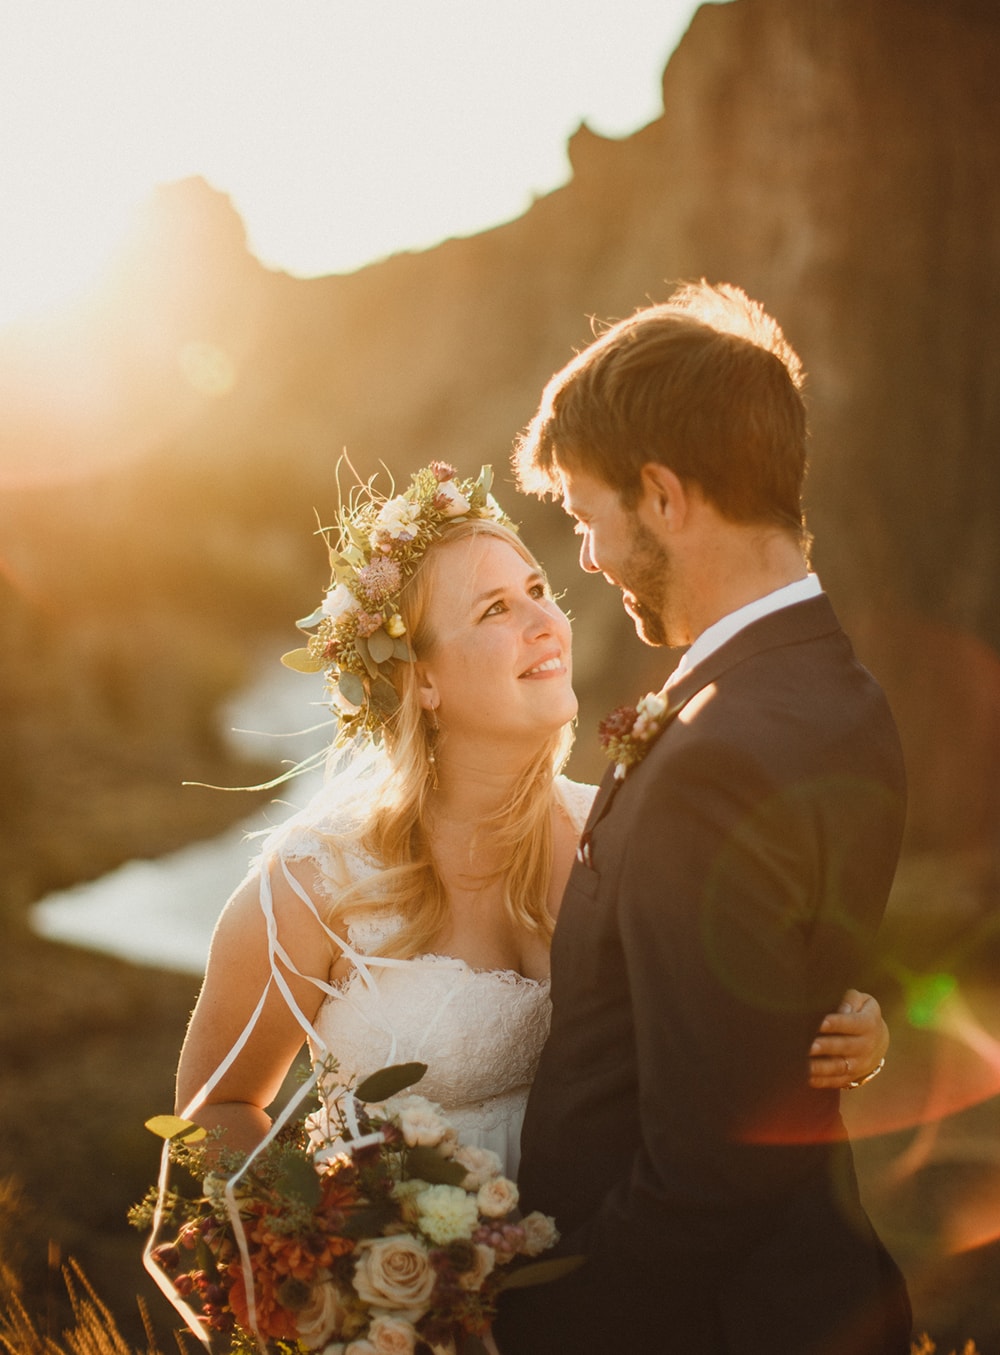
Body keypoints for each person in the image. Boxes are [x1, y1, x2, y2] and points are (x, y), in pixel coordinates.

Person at [173, 464, 887, 1332]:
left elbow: (726, 1025)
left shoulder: (631, 833)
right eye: (493, 610)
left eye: (538, 590)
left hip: (621, 1309)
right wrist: (331, 1268)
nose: (545, 621)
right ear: (420, 680)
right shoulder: (315, 881)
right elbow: (215, 1108)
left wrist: (846, 1024)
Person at [495, 282, 910, 1355]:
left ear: (663, 495)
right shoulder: (835, 687)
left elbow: (708, 1166)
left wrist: (543, 1315)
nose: (584, 555)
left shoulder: (716, 756)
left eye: (588, 517)